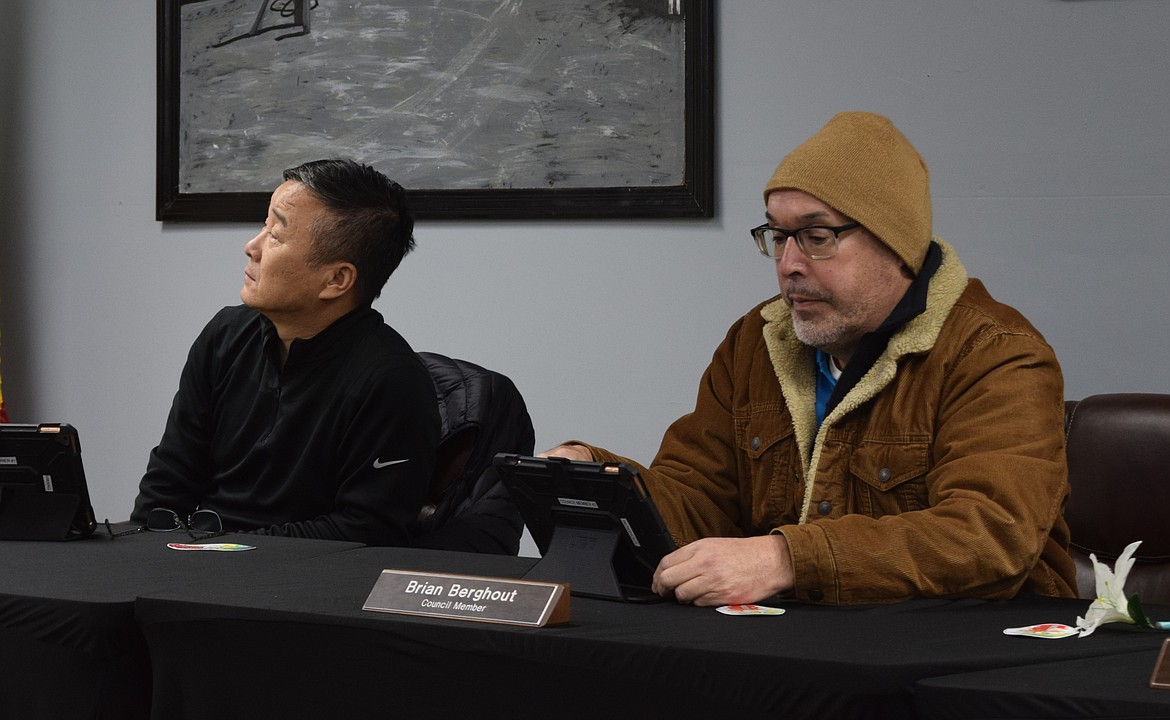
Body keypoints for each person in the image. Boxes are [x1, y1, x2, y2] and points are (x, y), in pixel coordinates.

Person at [545, 111, 1078, 606]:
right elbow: (700, 497)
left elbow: (989, 535)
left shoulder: (997, 352)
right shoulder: (756, 340)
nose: (789, 264)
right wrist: (603, 479)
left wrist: (788, 559)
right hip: (801, 647)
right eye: (778, 237)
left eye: (817, 237)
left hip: (975, 656)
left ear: (896, 245)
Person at [131, 158, 440, 546]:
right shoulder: (226, 336)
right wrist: (144, 553)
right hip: (189, 561)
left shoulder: (392, 382)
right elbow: (169, 480)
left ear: (337, 279)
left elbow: (365, 532)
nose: (252, 247)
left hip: (292, 585)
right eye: (264, 225)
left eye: (276, 235)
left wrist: (221, 550)